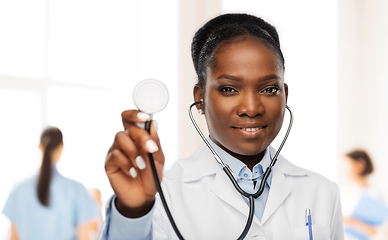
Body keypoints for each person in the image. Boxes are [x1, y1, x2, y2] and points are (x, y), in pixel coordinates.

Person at [100, 13, 344, 239]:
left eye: (269, 89)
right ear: (200, 98)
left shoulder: (323, 192)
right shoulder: (163, 194)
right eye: (229, 89)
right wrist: (133, 213)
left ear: (285, 95)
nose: (251, 107)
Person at [2, 127, 100, 240]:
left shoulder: (19, 189)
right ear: (61, 147)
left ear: (40, 147)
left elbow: (13, 237)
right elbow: (83, 237)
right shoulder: (77, 189)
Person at [341, 150, 388, 240]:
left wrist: (352, 222)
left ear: (360, 164)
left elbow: (381, 233)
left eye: (346, 167)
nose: (343, 171)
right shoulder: (343, 192)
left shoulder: (375, 196)